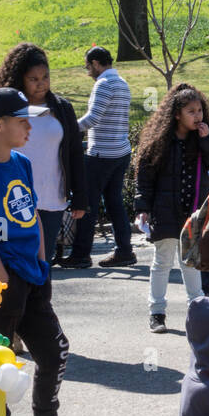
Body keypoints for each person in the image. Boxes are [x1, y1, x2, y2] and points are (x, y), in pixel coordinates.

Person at [0, 87, 95, 416]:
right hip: (1, 282)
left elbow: (33, 217)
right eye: (22, 121)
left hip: (34, 275)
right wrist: (3, 282)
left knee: (54, 351)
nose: (29, 127)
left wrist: (41, 264)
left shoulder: (20, 162)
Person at [134, 84, 209, 333]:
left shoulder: (202, 138)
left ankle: (196, 309)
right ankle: (157, 312)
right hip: (165, 211)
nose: (197, 116)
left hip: (194, 212)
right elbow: (145, 176)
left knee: (191, 262)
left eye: (199, 110)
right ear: (176, 114)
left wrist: (207, 139)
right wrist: (142, 207)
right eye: (191, 111)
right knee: (162, 262)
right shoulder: (160, 141)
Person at [0, 44, 88, 268]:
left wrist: (80, 197)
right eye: (33, 79)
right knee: (18, 263)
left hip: (51, 197)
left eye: (45, 77)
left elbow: (74, 153)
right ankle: (23, 303)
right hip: (14, 199)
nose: (41, 83)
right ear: (20, 79)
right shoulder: (6, 108)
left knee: (43, 264)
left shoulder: (62, 108)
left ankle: (42, 303)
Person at [68, 46, 135, 269]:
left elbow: (92, 119)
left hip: (101, 154)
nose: (88, 72)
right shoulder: (122, 83)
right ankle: (125, 251)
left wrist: (66, 127)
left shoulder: (104, 84)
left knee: (87, 205)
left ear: (97, 63)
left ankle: (81, 255)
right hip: (121, 152)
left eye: (88, 66)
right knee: (115, 203)